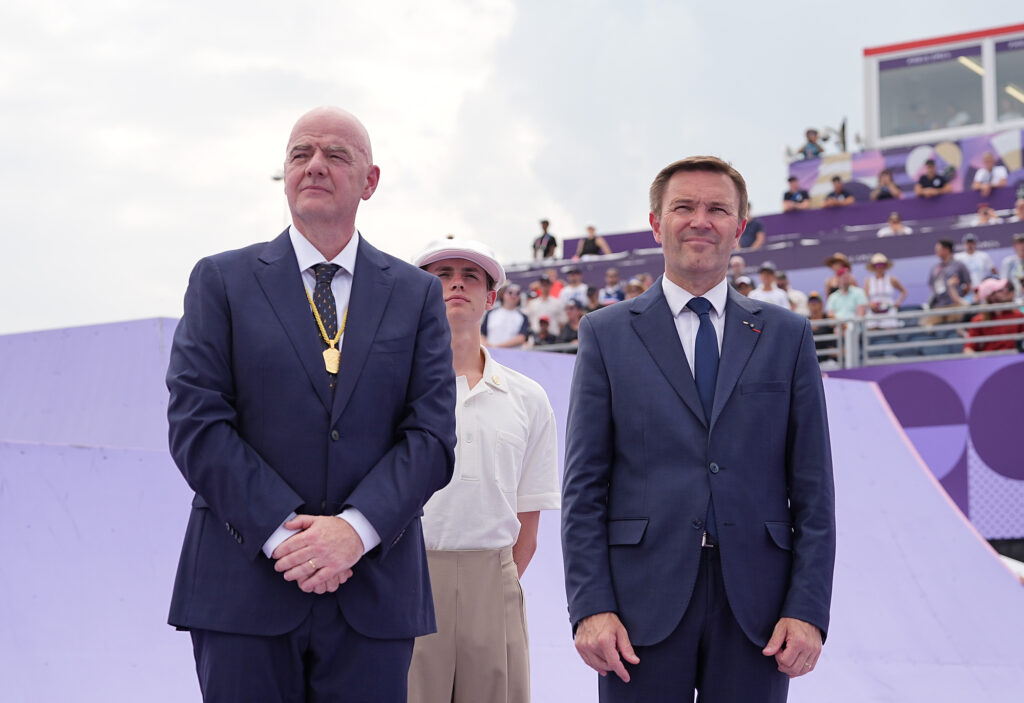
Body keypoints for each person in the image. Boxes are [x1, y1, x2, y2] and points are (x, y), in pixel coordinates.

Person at [165, 106, 457, 702]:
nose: (315, 166)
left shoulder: (417, 295)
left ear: (370, 181)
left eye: (336, 155)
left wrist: (354, 531)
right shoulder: (221, 281)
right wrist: (286, 534)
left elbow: (430, 437)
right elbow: (198, 425)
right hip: (243, 589)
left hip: (372, 593)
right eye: (301, 154)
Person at [562, 156, 835, 702]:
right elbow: (584, 489)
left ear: (739, 226)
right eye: (683, 207)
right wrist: (590, 607)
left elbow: (813, 490)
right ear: (655, 222)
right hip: (638, 609)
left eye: (717, 209)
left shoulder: (787, 335)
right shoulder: (606, 334)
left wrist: (807, 611)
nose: (700, 220)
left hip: (757, 611)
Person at [409, 239, 560, 703]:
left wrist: (494, 584)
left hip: (494, 582)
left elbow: (528, 523)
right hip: (409, 578)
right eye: (442, 274)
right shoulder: (391, 389)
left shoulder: (528, 397)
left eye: (471, 275)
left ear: (491, 298)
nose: (456, 282)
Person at [964, 278, 1024, 354]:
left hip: (1013, 360)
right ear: (991, 296)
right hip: (989, 362)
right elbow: (969, 348)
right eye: (1000, 290)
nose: (1006, 292)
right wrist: (979, 362)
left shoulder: (1017, 315)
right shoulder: (979, 320)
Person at [925, 239, 971, 324]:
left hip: (954, 305)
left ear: (946, 250)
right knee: (926, 326)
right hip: (938, 306)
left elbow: (968, 285)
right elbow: (932, 285)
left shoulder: (959, 265)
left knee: (954, 328)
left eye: (938, 249)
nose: (936, 252)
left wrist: (958, 297)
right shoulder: (935, 267)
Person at [863, 253, 907, 329]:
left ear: (885, 266)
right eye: (877, 265)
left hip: (889, 311)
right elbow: (864, 297)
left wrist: (898, 302)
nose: (879, 268)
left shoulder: (892, 279)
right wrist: (870, 304)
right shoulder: (868, 281)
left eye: (882, 265)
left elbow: (904, 292)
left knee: (889, 331)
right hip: (873, 312)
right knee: (872, 331)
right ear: (874, 267)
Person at [482, 284, 531, 348]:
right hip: (491, 353)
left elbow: (521, 338)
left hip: (512, 355)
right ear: (503, 294)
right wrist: (486, 346)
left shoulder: (523, 317)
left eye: (517, 293)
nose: (514, 296)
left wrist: (497, 347)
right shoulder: (491, 313)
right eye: (510, 292)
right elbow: (482, 334)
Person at [954, 233, 997, 302]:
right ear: (964, 244)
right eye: (968, 243)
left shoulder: (983, 256)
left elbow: (993, 270)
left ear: (975, 244)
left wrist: (991, 284)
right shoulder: (958, 257)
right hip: (965, 291)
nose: (970, 245)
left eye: (972, 243)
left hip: (981, 289)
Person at [998, 233, 1024, 304]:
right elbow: (1003, 282)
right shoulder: (1008, 262)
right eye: (1019, 243)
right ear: (1014, 246)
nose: (1022, 246)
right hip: (1014, 301)